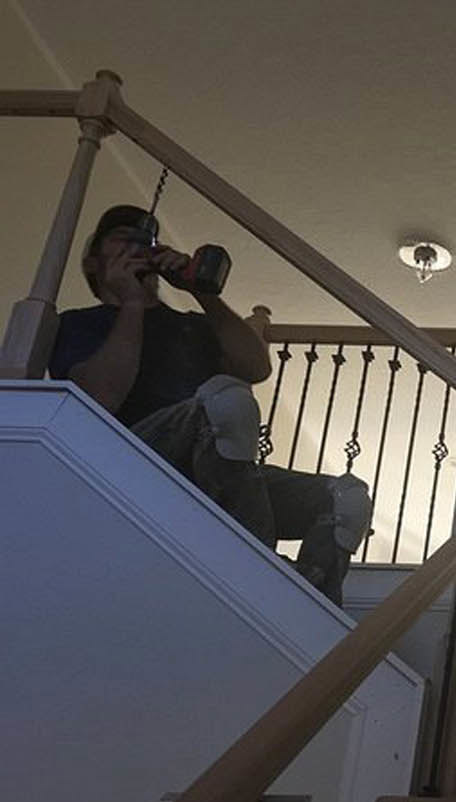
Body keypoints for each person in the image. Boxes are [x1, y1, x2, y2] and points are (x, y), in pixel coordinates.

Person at [49, 204, 371, 605]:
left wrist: (203, 292)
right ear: (94, 263)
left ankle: (310, 606)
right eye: (122, 239)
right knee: (226, 398)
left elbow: (255, 367)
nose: (137, 246)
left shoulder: (192, 326)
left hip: (213, 470)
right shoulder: (76, 323)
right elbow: (101, 397)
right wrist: (131, 304)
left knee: (347, 495)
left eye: (144, 240)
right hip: (130, 464)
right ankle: (260, 566)